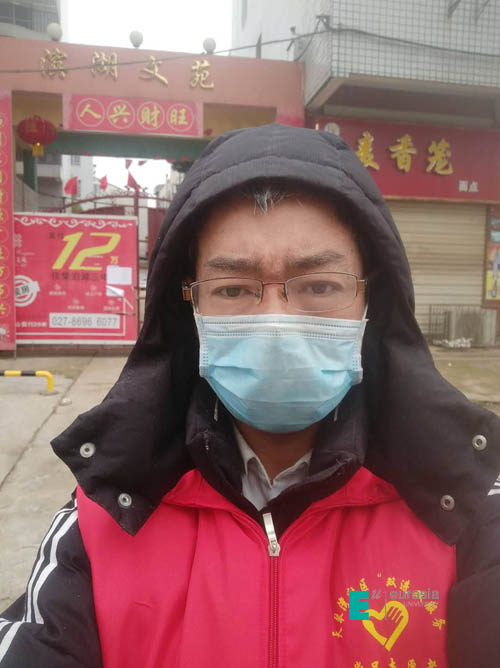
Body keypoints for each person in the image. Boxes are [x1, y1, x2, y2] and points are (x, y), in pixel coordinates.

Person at [1, 123, 499, 667]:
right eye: (234, 288)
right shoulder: (107, 513)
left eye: (319, 285)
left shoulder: (467, 503)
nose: (275, 322)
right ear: (189, 308)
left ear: (370, 302)